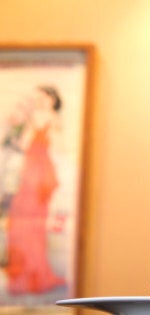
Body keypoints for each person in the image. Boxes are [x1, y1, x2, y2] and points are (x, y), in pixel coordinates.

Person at [4, 86, 66, 294]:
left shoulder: (50, 118)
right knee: (20, 222)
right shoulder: (34, 118)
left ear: (50, 99)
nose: (38, 100)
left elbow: (57, 147)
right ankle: (23, 274)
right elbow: (22, 144)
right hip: (28, 173)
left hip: (40, 173)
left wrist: (28, 116)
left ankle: (36, 274)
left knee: (34, 224)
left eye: (41, 96)